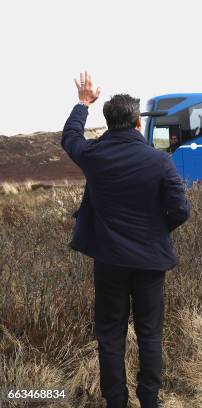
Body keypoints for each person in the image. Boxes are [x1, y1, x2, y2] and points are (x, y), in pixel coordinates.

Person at [61, 72, 191, 408]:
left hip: (108, 262)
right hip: (150, 262)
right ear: (137, 122)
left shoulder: (94, 155)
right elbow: (180, 210)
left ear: (109, 123)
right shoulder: (159, 161)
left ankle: (115, 401)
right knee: (150, 334)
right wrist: (156, 231)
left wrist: (82, 103)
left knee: (110, 335)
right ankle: (149, 400)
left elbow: (70, 137)